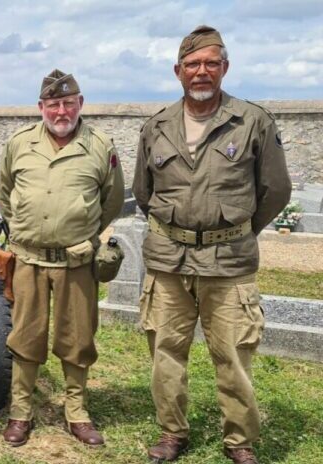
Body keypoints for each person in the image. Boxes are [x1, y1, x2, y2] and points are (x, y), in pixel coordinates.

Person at [133, 25, 291, 464]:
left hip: (230, 262)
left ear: (225, 68)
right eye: (192, 65)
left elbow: (275, 190)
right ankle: (171, 433)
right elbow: (143, 193)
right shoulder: (156, 126)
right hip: (168, 261)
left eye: (210, 64)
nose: (201, 72)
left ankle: (239, 441)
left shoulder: (252, 121)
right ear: (177, 71)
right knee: (165, 352)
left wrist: (235, 229)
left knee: (234, 355)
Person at [0, 69, 124, 448]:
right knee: (25, 338)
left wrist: (79, 233)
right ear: (41, 107)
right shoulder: (19, 143)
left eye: (68, 103)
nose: (61, 111)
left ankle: (77, 412)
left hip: (76, 261)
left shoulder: (100, 145)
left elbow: (111, 200)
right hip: (29, 260)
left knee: (77, 337)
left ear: (80, 104)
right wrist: (25, 227)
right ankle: (20, 412)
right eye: (53, 104)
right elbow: (3, 193)